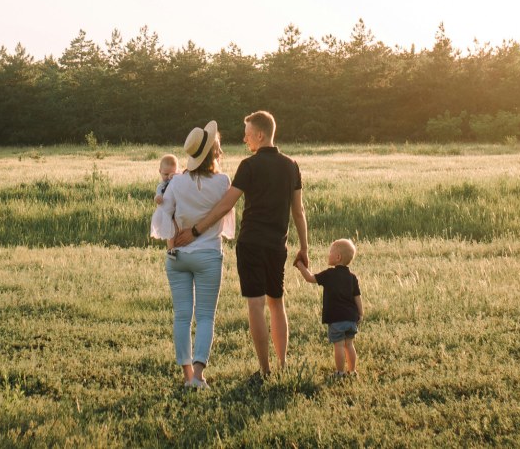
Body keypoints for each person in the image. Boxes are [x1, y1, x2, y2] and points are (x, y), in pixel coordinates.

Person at [183, 110, 308, 379]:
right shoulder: (291, 165)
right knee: (277, 303)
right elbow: (298, 211)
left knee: (256, 305)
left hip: (251, 243)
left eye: (248, 134)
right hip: (278, 245)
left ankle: (264, 370)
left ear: (260, 135)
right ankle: (283, 365)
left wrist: (196, 230)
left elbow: (226, 205)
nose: (245, 139)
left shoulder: (248, 166)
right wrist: (304, 247)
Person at [150, 122, 235, 389]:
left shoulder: (176, 182)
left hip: (178, 256)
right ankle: (198, 376)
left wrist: (172, 244)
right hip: (209, 255)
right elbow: (225, 213)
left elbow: (166, 215)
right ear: (213, 153)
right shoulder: (222, 182)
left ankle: (187, 376)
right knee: (206, 315)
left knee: (182, 316)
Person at [296, 238, 362, 378]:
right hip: (351, 319)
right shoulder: (352, 277)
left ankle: (340, 372)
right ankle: (352, 371)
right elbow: (357, 297)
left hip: (337, 319)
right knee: (349, 345)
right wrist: (360, 314)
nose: (328, 254)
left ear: (338, 257)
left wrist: (300, 265)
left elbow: (310, 278)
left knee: (338, 345)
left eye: (330, 252)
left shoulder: (329, 274)